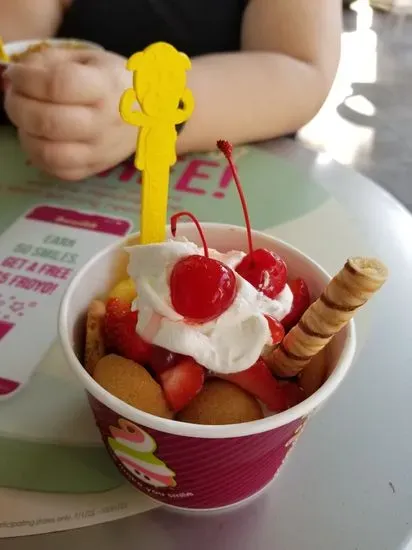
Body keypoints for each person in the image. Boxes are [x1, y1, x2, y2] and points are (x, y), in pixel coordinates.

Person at [1, 0, 341, 181]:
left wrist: (152, 110)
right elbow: (15, 36)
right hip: (40, 188)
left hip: (232, 190)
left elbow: (300, 69)